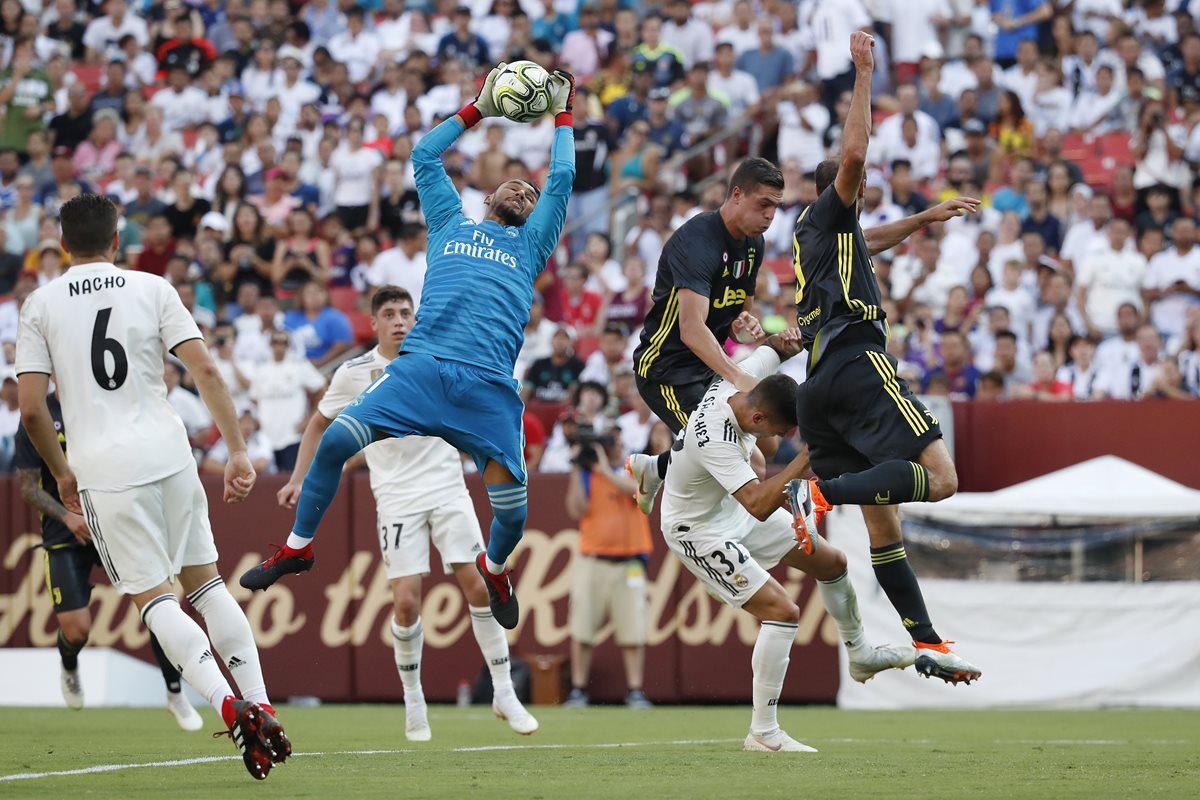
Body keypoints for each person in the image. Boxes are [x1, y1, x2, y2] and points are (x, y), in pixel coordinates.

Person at [238, 65, 578, 631]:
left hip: (487, 385)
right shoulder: (449, 222)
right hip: (419, 370)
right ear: (489, 195)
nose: (527, 190)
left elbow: (562, 177)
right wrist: (478, 108)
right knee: (335, 441)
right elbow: (423, 154)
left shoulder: (531, 243)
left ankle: (494, 569)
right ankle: (298, 547)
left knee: (512, 520)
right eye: (516, 186)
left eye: (532, 191)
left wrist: (564, 111)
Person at [14, 194, 290, 780]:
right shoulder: (152, 287)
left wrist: (63, 476)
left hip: (105, 471)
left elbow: (34, 411)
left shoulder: (40, 304)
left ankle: (228, 706)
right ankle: (262, 702)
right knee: (208, 587)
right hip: (170, 455)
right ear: (118, 241)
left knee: (155, 599)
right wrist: (237, 449)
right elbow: (207, 371)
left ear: (63, 244)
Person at [789, 32, 981, 685]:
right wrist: (864, 72)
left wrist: (924, 219)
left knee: (883, 522)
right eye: (855, 186)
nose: (861, 184)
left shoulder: (818, 239)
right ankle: (814, 493)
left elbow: (871, 238)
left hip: (819, 386)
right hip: (854, 361)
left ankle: (925, 641)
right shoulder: (832, 211)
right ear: (840, 193)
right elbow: (852, 153)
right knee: (944, 478)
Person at [276, 286, 537, 739]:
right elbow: (319, 424)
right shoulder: (354, 372)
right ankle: (413, 700)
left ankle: (503, 691)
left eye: (405, 313)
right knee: (405, 601)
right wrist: (299, 477)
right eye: (390, 314)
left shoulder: (438, 357)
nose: (399, 321)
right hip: (395, 497)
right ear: (373, 323)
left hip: (448, 489)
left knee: (479, 587)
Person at [661, 330, 915, 753]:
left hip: (730, 509)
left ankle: (861, 653)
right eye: (780, 429)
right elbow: (759, 503)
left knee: (832, 562)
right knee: (782, 611)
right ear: (759, 420)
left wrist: (794, 338)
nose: (782, 438)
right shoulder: (715, 438)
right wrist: (805, 458)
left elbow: (774, 350)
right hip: (699, 531)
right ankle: (764, 733)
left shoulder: (740, 380)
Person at [14, 392, 203, 729]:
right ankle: (69, 663)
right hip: (65, 534)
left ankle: (175, 692)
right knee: (77, 630)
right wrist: (67, 517)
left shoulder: (107, 404)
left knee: (159, 605)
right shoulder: (39, 413)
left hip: (117, 523)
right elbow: (28, 487)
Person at [624, 156, 784, 514]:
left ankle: (656, 468)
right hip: (665, 370)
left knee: (770, 440)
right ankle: (708, 536)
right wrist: (740, 375)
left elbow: (739, 315)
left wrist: (744, 325)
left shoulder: (753, 245)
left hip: (706, 368)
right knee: (754, 464)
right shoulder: (698, 240)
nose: (770, 216)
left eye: (776, 207)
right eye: (764, 205)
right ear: (737, 194)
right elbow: (692, 329)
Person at [564, 427, 653, 710]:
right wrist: (578, 468)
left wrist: (602, 468)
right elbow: (575, 509)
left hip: (629, 561)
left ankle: (635, 689)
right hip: (592, 558)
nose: (612, 446)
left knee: (633, 629)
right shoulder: (588, 475)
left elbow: (638, 493)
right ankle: (578, 688)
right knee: (582, 627)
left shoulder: (632, 469)